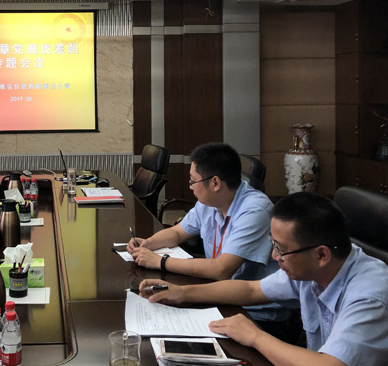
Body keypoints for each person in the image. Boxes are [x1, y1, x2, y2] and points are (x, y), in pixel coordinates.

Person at [139, 191, 388, 366]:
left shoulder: (369, 295)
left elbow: (330, 364)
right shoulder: (313, 266)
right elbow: (252, 290)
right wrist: (182, 292)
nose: (274, 256)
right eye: (273, 244)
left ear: (322, 255)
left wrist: (255, 336)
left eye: (281, 249)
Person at [127, 143, 283, 327]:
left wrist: (160, 261)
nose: (191, 187)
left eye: (193, 181)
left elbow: (221, 270)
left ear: (215, 183)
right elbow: (177, 232)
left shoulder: (254, 210)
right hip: (218, 295)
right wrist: (148, 244)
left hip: (254, 313)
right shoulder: (210, 202)